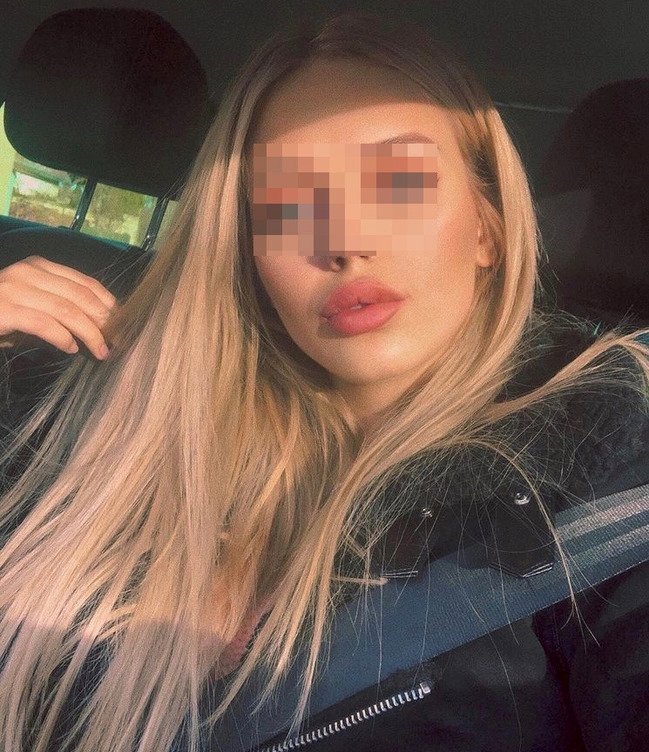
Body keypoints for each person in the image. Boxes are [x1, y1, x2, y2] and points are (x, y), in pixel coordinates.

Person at [0, 10, 648, 752]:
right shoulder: (96, 404)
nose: (343, 239)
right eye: (289, 202)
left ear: (486, 229)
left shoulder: (606, 473)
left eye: (399, 181)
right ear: (247, 249)